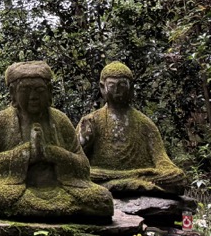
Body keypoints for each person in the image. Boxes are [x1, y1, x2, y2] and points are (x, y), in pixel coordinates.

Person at [0, 60, 113, 221]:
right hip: (17, 190)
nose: (33, 96)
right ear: (13, 92)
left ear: (49, 91)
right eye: (26, 90)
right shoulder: (0, 122)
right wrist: (29, 152)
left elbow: (83, 166)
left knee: (102, 199)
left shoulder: (60, 120)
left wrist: (52, 153)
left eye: (39, 90)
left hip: (61, 188)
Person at [77, 61, 189, 197]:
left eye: (122, 86)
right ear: (102, 88)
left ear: (131, 88)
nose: (117, 90)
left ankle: (124, 182)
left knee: (177, 177)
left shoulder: (145, 124)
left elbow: (162, 161)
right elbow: (75, 164)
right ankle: (129, 182)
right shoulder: (91, 121)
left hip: (136, 176)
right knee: (78, 175)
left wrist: (165, 170)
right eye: (112, 86)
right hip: (103, 176)